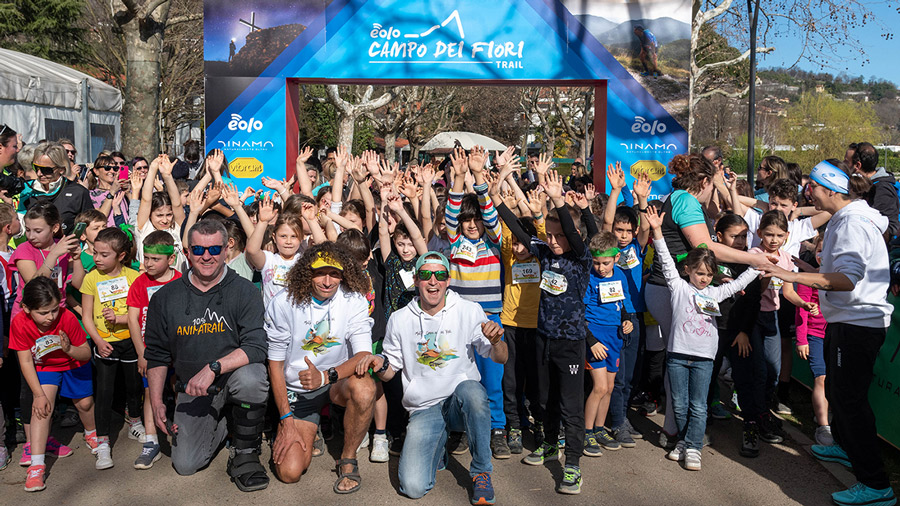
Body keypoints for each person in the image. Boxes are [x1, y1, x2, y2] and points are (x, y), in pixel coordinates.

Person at [758, 160, 896, 506]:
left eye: (814, 189)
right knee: (838, 391)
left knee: (850, 401)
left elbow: (845, 279)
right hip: (848, 321)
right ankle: (848, 452)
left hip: (858, 324)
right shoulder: (848, 219)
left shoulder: (851, 224)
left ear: (831, 190)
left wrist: (792, 277)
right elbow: (838, 273)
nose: (809, 194)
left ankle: (876, 484)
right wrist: (798, 267)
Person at [360, 251, 507, 505]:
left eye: (439, 275)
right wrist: (379, 364)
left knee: (472, 391)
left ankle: (481, 471)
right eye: (426, 274)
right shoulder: (400, 319)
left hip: (460, 403)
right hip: (423, 408)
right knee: (413, 487)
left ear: (448, 280)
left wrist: (497, 342)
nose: (433, 281)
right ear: (416, 279)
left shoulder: (469, 310)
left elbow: (501, 358)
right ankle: (437, 448)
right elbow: (390, 371)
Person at [644, 154, 770, 449]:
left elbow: (714, 214)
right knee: (682, 362)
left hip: (667, 289)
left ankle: (674, 428)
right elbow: (706, 246)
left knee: (677, 360)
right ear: (703, 182)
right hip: (671, 290)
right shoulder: (686, 201)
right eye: (711, 185)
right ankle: (678, 431)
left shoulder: (679, 197)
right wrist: (753, 257)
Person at [144, 219, 270, 492]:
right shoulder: (164, 298)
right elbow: (156, 355)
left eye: (214, 249)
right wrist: (156, 402)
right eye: (198, 250)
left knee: (253, 377)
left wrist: (214, 367)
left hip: (231, 377)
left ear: (227, 249)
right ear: (187, 252)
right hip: (194, 389)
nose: (206, 256)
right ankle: (225, 421)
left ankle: (245, 450)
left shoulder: (245, 291)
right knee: (186, 464)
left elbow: (257, 347)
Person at [503, 169, 594, 494]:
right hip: (543, 340)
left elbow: (572, 228)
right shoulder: (543, 252)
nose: (553, 240)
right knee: (544, 400)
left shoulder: (582, 259)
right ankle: (549, 445)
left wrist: (558, 199)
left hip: (570, 344)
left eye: (560, 236)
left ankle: (572, 466)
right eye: (550, 235)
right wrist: (487, 189)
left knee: (571, 405)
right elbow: (517, 228)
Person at [265, 243, 375, 493]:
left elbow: (363, 354)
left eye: (334, 273)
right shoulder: (284, 301)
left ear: (343, 274)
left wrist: (326, 376)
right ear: (307, 272)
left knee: (365, 387)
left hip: (335, 383)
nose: (327, 281)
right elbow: (275, 363)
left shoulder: (353, 299)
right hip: (298, 390)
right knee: (289, 472)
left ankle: (348, 458)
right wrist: (285, 420)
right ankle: (308, 428)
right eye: (320, 273)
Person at [444, 146, 508, 457]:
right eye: (467, 221)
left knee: (492, 379)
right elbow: (452, 212)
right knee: (459, 376)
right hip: (457, 320)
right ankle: (459, 428)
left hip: (490, 319)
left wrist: (479, 176)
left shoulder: (494, 242)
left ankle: (497, 428)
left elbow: (492, 214)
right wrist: (459, 177)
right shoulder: (454, 242)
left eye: (477, 220)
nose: (471, 225)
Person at [10, 277, 97, 491]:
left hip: (74, 361)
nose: (50, 317)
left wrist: (68, 349)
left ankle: (92, 433)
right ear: (26, 308)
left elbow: (85, 353)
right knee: (42, 408)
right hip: (45, 366)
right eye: (43, 312)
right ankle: (37, 467)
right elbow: (25, 361)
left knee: (84, 404)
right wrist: (38, 395)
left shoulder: (66, 318)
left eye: (54, 310)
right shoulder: (19, 323)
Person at [79, 227, 142, 469]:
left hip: (131, 341)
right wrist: (98, 340)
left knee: (134, 385)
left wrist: (120, 318)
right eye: (96, 253)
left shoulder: (134, 277)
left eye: (104, 255)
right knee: (104, 394)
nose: (97, 259)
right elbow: (86, 316)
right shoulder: (91, 278)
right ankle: (103, 443)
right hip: (104, 344)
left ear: (122, 255)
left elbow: (138, 315)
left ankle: (135, 422)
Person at [126, 231, 182, 469]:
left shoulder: (181, 280)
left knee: (181, 390)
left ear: (171, 259)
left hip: (178, 351)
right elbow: (132, 319)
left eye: (154, 259)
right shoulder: (140, 283)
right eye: (145, 257)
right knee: (151, 394)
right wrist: (142, 353)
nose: (148, 263)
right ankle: (150, 442)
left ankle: (183, 433)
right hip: (151, 352)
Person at [19, 142, 92, 234]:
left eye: (46, 170)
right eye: (36, 167)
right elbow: (18, 231)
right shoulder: (26, 190)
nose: (39, 173)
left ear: (61, 169)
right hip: (32, 247)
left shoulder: (79, 192)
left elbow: (90, 226)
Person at [136, 154, 186, 271]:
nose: (164, 220)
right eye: (159, 215)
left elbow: (177, 204)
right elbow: (146, 199)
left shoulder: (176, 228)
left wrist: (167, 176)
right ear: (149, 214)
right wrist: (153, 168)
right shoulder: (145, 228)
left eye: (168, 215)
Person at [845, 141, 899, 239]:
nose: (843, 165)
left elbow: (891, 227)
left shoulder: (881, 189)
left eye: (846, 162)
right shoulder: (866, 186)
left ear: (857, 166)